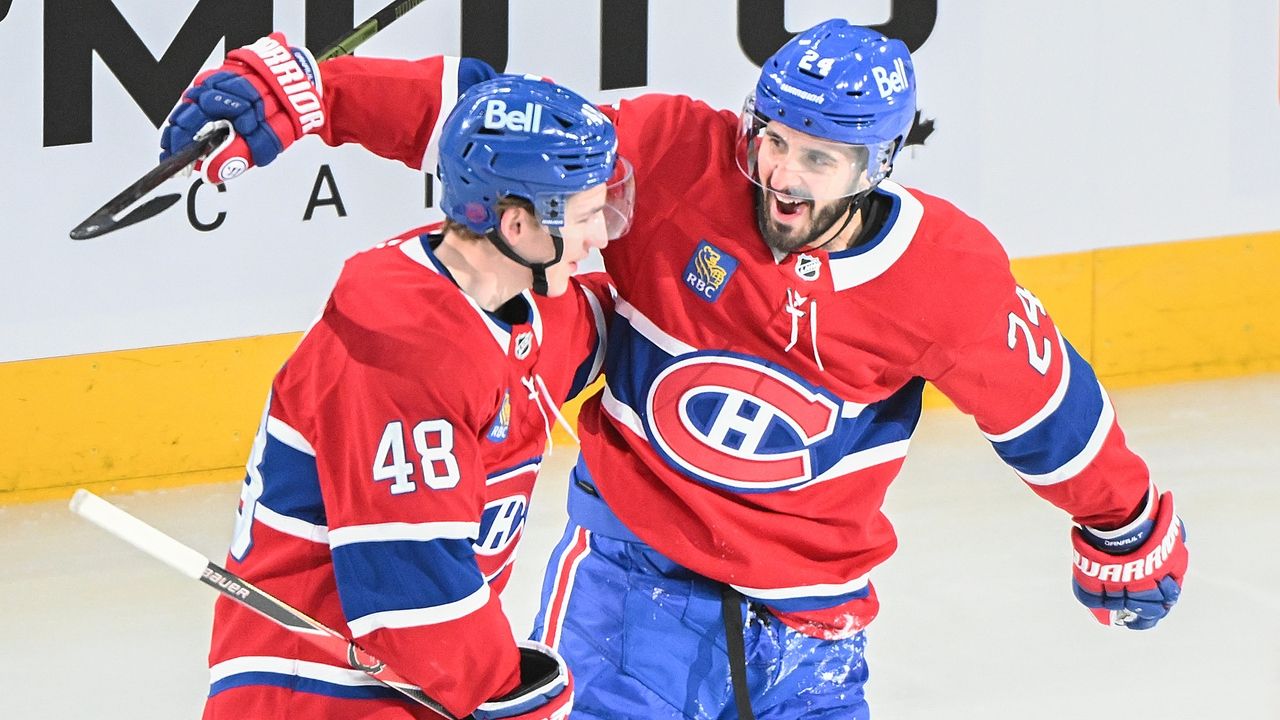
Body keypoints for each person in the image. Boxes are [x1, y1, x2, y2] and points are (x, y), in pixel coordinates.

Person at [162, 21, 1188, 719]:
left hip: (809, 628)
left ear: (877, 165)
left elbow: (1044, 406)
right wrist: (316, 97)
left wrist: (1124, 520)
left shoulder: (942, 276)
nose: (779, 173)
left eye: (816, 159)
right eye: (770, 140)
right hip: (623, 591)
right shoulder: (670, 150)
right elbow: (509, 129)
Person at [172, 45, 636, 720]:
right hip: (313, 684)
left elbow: (616, 335)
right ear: (516, 224)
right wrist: (502, 692)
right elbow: (410, 591)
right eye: (586, 216)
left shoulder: (529, 301)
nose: (600, 236)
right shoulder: (400, 345)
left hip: (408, 684)